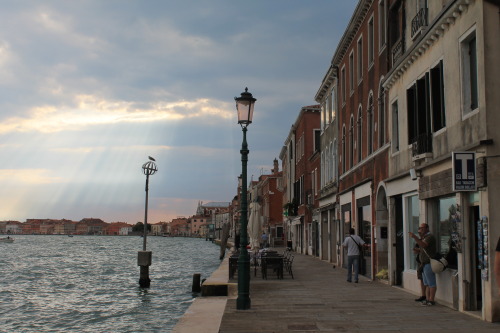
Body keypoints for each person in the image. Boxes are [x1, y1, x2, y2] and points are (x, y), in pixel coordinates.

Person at [409, 223, 437, 306]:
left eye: (422, 228)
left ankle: (431, 300)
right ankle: (428, 299)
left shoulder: (429, 237)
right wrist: (417, 250)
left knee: (431, 283)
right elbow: (423, 248)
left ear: (427, 228)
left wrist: (415, 237)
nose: (420, 230)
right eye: (419, 228)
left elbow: (424, 245)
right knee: (426, 283)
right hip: (423, 263)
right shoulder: (424, 238)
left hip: (428, 263)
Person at [412, 233, 426, 302]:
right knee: (421, 279)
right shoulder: (419, 241)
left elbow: (426, 250)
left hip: (424, 263)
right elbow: (414, 251)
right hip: (420, 263)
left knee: (426, 280)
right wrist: (416, 250)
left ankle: (427, 297)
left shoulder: (426, 240)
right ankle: (423, 295)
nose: (420, 234)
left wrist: (419, 250)